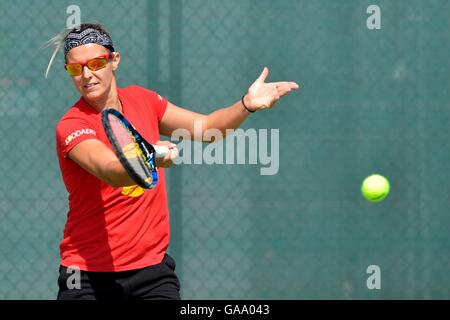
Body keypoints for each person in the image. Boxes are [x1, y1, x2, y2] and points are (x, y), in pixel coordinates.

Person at [50, 23, 299, 300]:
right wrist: (151, 155)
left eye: (96, 63)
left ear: (114, 60)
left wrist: (246, 105)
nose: (87, 75)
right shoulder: (71, 125)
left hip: (152, 273)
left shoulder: (144, 100)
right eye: (76, 68)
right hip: (86, 277)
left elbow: (207, 129)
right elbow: (111, 170)